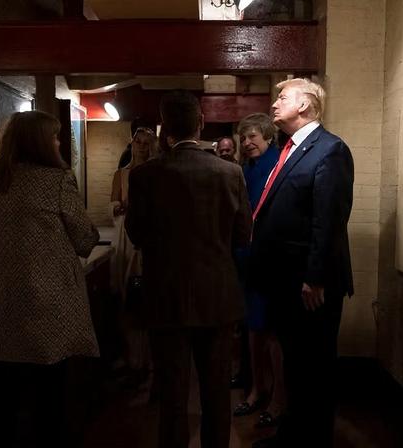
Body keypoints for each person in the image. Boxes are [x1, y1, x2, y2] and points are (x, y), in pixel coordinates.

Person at [0, 110, 100, 447]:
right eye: (54, 136)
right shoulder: (57, 181)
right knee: (49, 398)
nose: (58, 142)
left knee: (3, 401)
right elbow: (85, 238)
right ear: (39, 142)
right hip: (47, 304)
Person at [125, 90, 252, 448]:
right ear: (200, 123)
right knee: (216, 396)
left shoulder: (146, 175)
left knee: (173, 398)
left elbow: (135, 233)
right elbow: (243, 235)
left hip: (165, 296)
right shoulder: (230, 173)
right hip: (218, 296)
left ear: (165, 127)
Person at [248, 78, 354, 448]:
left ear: (305, 106)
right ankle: (293, 436)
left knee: (314, 370)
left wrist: (316, 277)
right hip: (287, 282)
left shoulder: (329, 150)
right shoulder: (291, 148)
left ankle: (311, 441)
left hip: (311, 286)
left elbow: (329, 219)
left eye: (282, 97)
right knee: (296, 367)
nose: (275, 103)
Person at [232, 113, 286, 430]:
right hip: (247, 259)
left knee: (273, 334)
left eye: (252, 136)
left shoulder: (279, 164)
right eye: (244, 137)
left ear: (267, 135)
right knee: (254, 329)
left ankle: (278, 398)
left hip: (272, 259)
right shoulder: (246, 167)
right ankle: (257, 389)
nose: (247, 142)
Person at [110, 126, 157, 378]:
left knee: (147, 299)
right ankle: (132, 357)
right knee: (127, 296)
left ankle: (149, 359)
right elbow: (113, 205)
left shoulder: (157, 173)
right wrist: (120, 206)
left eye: (146, 143)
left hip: (149, 238)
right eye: (138, 142)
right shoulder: (123, 174)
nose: (141, 147)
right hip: (127, 237)